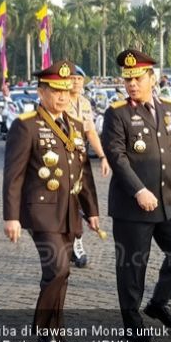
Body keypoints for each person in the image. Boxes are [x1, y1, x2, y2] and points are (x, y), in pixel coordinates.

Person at [3, 60, 99, 342]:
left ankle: (56, 332)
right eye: (55, 90)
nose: (62, 96)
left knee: (64, 273)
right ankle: (45, 333)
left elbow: (82, 172)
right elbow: (13, 174)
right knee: (56, 269)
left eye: (65, 90)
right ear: (41, 91)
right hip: (41, 212)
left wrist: (92, 211)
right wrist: (11, 216)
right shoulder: (26, 124)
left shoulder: (74, 124)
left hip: (69, 211)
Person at [102, 49, 171, 342]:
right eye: (127, 79)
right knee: (132, 266)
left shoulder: (169, 108)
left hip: (167, 200)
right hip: (133, 206)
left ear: (152, 78)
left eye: (138, 78)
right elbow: (117, 157)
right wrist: (139, 190)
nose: (131, 84)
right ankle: (132, 324)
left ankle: (158, 303)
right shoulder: (117, 113)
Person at [67, 65, 110, 268]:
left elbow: (91, 131)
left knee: (84, 199)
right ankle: (72, 242)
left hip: (80, 156)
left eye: (79, 79)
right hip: (60, 157)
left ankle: (75, 242)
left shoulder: (84, 103)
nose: (76, 82)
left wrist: (102, 155)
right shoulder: (60, 100)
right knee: (67, 201)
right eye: (73, 78)